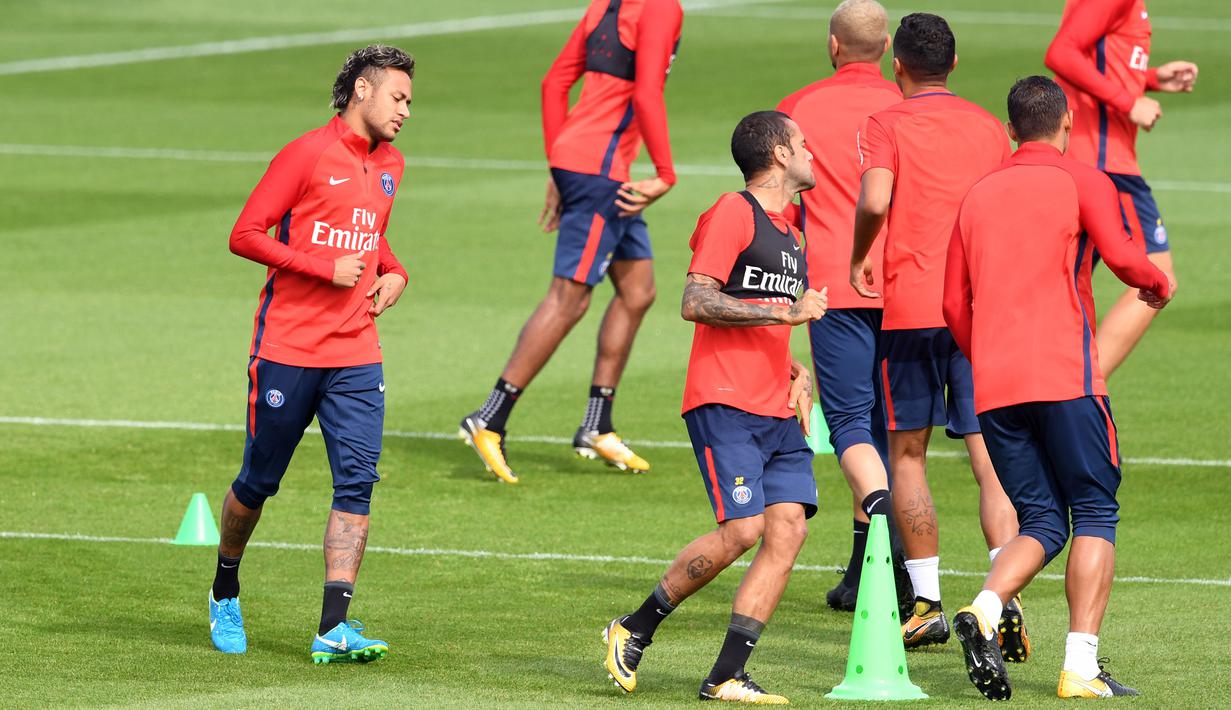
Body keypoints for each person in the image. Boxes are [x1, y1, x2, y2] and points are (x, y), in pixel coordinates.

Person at [944, 76, 1172, 701]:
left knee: (1042, 519)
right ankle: (1080, 666)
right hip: (1065, 377)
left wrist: (987, 356)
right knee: (1095, 509)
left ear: (1010, 128)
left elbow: (950, 302)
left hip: (993, 387)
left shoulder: (977, 195)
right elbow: (1125, 260)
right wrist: (1157, 282)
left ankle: (987, 608)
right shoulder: (1083, 180)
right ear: (1068, 120)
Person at [602, 111, 826, 704]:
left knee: (788, 532)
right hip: (724, 400)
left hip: (775, 407)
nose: (813, 151)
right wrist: (786, 314)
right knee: (743, 529)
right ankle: (633, 627)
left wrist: (795, 369)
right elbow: (697, 298)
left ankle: (726, 674)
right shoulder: (735, 212)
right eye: (803, 143)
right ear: (779, 153)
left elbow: (765, 315)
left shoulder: (792, 231)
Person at [207, 45, 413, 663]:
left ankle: (333, 625)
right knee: (258, 480)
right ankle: (224, 588)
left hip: (356, 352)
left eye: (409, 101)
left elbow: (370, 236)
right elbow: (244, 234)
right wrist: (324, 268)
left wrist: (397, 272)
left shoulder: (392, 164)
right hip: (289, 348)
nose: (406, 111)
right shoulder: (306, 153)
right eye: (398, 98)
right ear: (362, 93)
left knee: (357, 484)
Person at [848, 13, 1025, 653]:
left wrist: (859, 254)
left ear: (896, 65)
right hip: (979, 311)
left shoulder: (885, 123)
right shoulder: (986, 126)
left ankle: (925, 602)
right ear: (955, 63)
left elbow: (873, 199)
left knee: (909, 454)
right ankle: (1001, 595)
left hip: (914, 309)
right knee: (990, 454)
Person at [458, 0, 683, 483]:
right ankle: (488, 417)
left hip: (590, 167)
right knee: (569, 299)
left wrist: (558, 164)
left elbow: (553, 83)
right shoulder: (662, 9)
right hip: (601, 176)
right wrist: (665, 173)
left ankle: (596, 424)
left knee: (638, 291)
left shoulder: (606, 5)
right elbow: (646, 93)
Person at [776, 0, 909, 613]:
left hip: (832, 289)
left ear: (834, 45)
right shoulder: (910, 104)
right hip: (909, 290)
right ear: (886, 50)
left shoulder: (798, 108)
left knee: (852, 425)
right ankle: (890, 568)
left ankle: (874, 566)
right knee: (897, 432)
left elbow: (774, 208)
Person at [1045, 0, 1197, 377]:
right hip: (1105, 165)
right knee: (1158, 275)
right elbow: (1062, 52)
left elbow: (1098, 58)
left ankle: (1045, 391)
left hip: (1087, 160)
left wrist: (1152, 78)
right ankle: (1079, 388)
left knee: (1061, 284)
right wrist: (1129, 102)